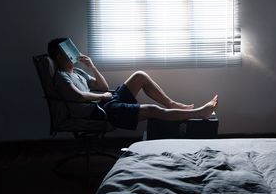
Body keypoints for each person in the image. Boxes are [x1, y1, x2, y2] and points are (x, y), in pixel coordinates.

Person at [48, 38, 218, 130]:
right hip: (100, 111)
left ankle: (172, 104)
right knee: (152, 110)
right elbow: (78, 96)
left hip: (107, 100)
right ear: (59, 55)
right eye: (66, 51)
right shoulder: (62, 77)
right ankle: (200, 113)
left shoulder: (77, 72)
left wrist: (92, 66)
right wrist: (102, 96)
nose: (72, 54)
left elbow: (104, 87)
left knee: (140, 75)